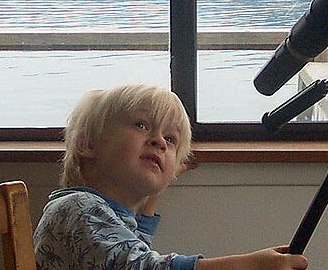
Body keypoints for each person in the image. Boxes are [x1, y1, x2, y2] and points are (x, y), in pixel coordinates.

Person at [33, 83, 308, 270]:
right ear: (89, 144)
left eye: (171, 139)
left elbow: (134, 243)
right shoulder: (76, 208)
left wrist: (156, 183)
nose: (160, 142)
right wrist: (249, 265)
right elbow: (142, 266)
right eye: (142, 125)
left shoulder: (105, 215)